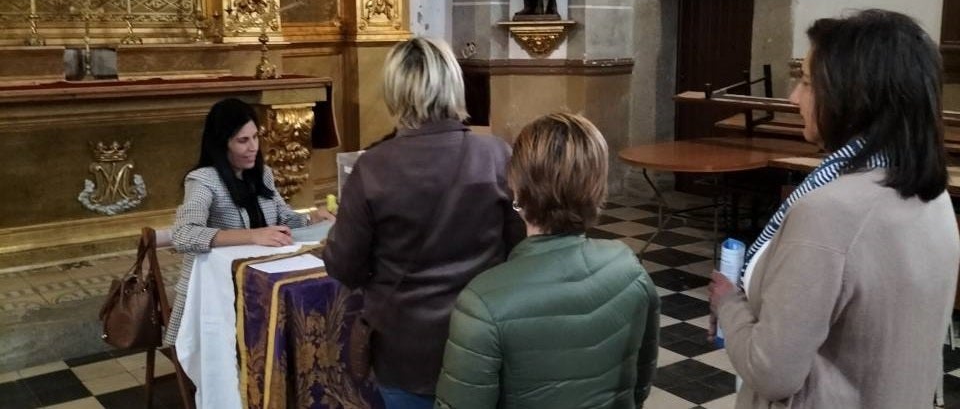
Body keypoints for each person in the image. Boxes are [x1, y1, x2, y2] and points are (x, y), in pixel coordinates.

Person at [709, 9, 960, 409]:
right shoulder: (932, 194)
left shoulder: (829, 211)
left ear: (854, 95)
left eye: (807, 82)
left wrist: (728, 306)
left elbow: (773, 373)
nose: (793, 97)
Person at [323, 37, 526, 409]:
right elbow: (520, 248)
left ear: (395, 92)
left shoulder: (372, 167)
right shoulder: (496, 154)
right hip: (482, 338)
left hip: (406, 349)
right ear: (453, 84)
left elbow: (345, 266)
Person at [435, 112, 660, 409]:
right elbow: (640, 386)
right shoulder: (630, 268)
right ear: (597, 187)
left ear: (517, 187)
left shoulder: (482, 303)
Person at [164, 97, 328, 346]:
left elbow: (283, 218)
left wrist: (310, 218)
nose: (253, 147)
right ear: (222, 144)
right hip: (216, 292)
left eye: (255, 137)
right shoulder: (203, 180)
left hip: (258, 280)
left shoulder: (262, 174)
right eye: (243, 140)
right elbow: (184, 235)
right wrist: (253, 235)